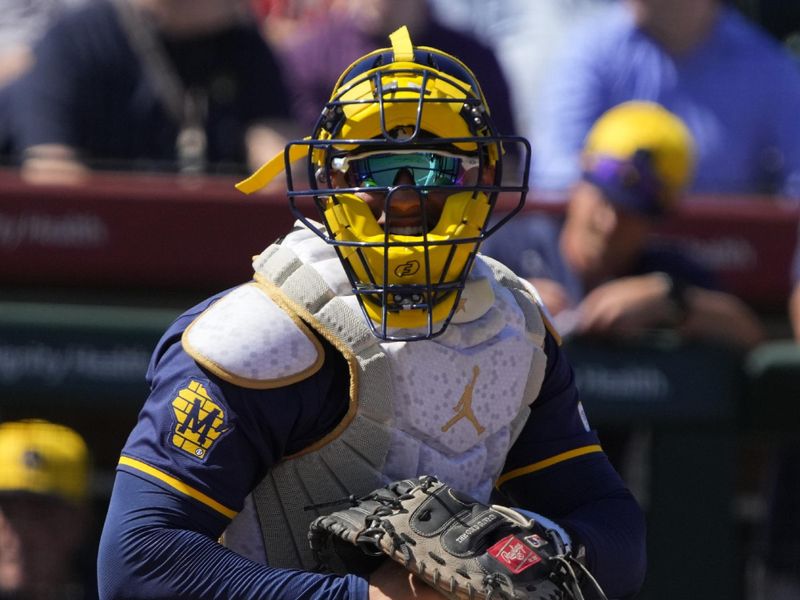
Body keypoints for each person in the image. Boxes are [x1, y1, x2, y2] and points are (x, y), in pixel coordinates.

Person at [97, 27, 646, 599]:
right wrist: (367, 598)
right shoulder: (264, 334)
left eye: (433, 168)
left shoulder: (515, 329)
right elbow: (138, 560)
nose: (403, 198)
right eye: (374, 170)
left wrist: (530, 550)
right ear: (331, 179)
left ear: (483, 178)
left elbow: (615, 528)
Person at [483, 100, 766, 349]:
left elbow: (750, 337)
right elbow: (440, 312)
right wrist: (502, 298)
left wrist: (671, 300)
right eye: (603, 199)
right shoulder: (503, 244)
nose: (609, 224)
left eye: (629, 212)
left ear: (657, 218)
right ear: (579, 181)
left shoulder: (664, 270)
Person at [529, 0, 800, 200]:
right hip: (607, 264)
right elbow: (553, 179)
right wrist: (625, 183)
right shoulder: (586, 53)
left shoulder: (768, 66)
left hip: (729, 266)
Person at [4, 0, 293, 182]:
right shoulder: (75, 42)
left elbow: (282, 165)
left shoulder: (243, 42)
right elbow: (52, 175)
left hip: (208, 256)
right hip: (98, 263)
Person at [0, 419, 93, 600]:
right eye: (8, 511)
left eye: (40, 513)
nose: (22, 531)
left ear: (81, 522)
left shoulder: (115, 591)